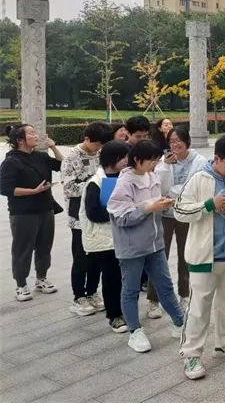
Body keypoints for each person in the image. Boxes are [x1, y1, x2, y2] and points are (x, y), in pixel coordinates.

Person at [175, 135, 225, 380]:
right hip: (206, 256)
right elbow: (179, 211)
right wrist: (208, 205)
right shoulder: (200, 179)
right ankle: (191, 353)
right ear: (216, 159)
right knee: (199, 308)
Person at [107, 140, 185, 353]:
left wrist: (163, 204)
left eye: (157, 160)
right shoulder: (125, 182)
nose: (155, 164)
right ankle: (135, 331)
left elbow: (154, 206)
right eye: (152, 161)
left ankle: (180, 323)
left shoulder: (152, 176)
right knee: (131, 289)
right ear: (137, 160)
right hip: (132, 247)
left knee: (165, 286)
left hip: (154, 243)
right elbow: (120, 217)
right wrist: (148, 208)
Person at [147, 126, 206, 318]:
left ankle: (184, 295)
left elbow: (194, 188)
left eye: (178, 140)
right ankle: (153, 300)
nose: (175, 144)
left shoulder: (198, 161)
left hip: (186, 214)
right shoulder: (164, 162)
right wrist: (164, 166)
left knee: (186, 257)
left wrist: (174, 194)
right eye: (171, 141)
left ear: (187, 141)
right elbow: (159, 187)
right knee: (158, 257)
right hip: (165, 214)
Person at [0, 124, 63, 301]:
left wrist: (53, 147)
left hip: (46, 208)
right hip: (23, 212)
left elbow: (61, 165)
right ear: (20, 140)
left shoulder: (41, 156)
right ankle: (21, 284)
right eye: (31, 133)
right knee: (23, 248)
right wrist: (33, 191)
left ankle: (41, 278)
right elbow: (5, 189)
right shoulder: (11, 162)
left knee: (44, 246)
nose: (36, 135)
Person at [62, 122, 113, 316]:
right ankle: (79, 296)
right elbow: (69, 188)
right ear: (87, 139)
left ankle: (92, 292)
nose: (99, 148)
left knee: (97, 255)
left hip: (98, 213)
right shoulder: (71, 157)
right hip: (79, 217)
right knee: (81, 257)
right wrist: (94, 186)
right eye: (97, 144)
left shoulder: (101, 154)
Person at [80, 140, 131, 332]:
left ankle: (124, 310)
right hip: (104, 240)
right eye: (123, 157)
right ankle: (114, 316)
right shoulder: (96, 183)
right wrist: (117, 211)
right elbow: (93, 213)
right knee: (111, 278)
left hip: (121, 236)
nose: (126, 161)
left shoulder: (124, 177)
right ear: (112, 159)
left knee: (123, 277)